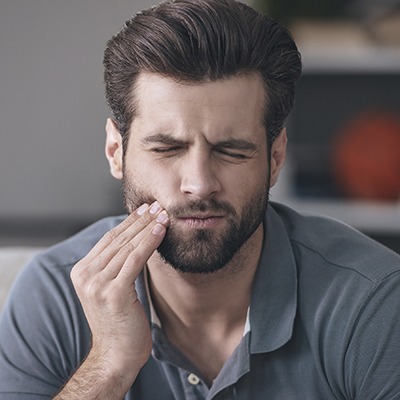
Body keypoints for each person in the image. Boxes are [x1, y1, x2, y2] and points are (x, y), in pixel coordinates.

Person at [1, 0, 400, 398]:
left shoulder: (373, 300)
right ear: (115, 153)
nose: (199, 184)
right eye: (166, 149)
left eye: (231, 150)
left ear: (275, 157)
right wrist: (109, 365)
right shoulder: (53, 294)